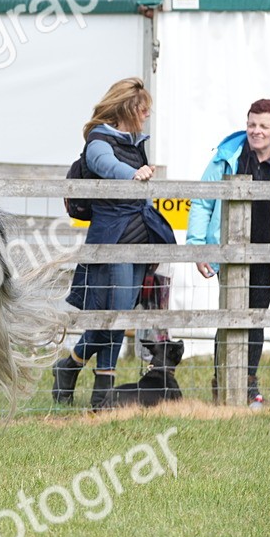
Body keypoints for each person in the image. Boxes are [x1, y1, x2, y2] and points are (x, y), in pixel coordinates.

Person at [53, 78, 176, 409]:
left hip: (139, 234)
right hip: (113, 237)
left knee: (120, 313)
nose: (147, 114)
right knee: (115, 314)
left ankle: (72, 366)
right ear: (128, 107)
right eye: (143, 108)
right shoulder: (99, 140)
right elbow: (103, 165)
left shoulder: (135, 141)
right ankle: (98, 388)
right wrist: (132, 175)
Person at [186, 99, 270, 408]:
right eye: (251, 124)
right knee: (230, 317)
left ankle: (248, 386)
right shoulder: (226, 158)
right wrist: (199, 246)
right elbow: (202, 203)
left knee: (256, 317)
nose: (256, 131)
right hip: (230, 252)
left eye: (263, 126)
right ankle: (224, 385)